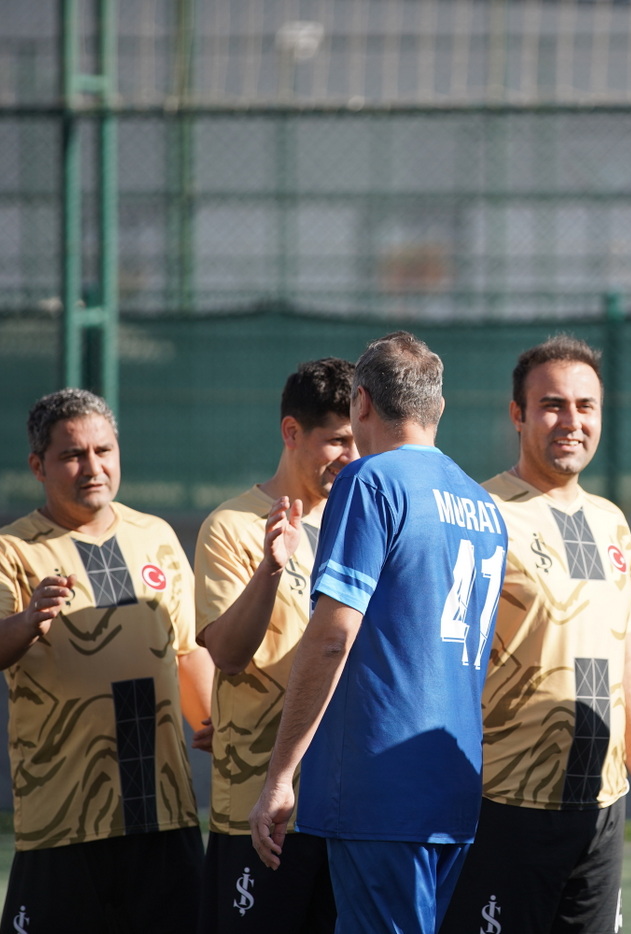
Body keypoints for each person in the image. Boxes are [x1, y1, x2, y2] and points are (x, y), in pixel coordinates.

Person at [248, 332, 507, 934]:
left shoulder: (370, 480)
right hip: (452, 782)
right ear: (437, 407)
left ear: (361, 402)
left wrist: (281, 775)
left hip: (381, 786)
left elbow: (332, 637)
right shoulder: (482, 503)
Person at [0, 387, 213, 934]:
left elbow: (187, 648)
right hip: (62, 822)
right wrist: (27, 621)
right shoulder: (8, 550)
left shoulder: (156, 536)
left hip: (163, 812)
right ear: (38, 466)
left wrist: (214, 723)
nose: (93, 467)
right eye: (73, 454)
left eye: (103, 450)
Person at [440, 335, 631, 934]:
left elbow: (623, 653)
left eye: (585, 406)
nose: (572, 421)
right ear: (517, 415)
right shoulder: (480, 515)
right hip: (504, 805)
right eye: (552, 405)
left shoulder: (610, 521)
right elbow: (443, 657)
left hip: (600, 808)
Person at [195, 358, 356, 933]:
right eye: (337, 440)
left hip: (347, 806)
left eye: (359, 441)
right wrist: (270, 566)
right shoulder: (232, 526)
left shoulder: (362, 523)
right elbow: (228, 654)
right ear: (292, 432)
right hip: (259, 812)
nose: (352, 456)